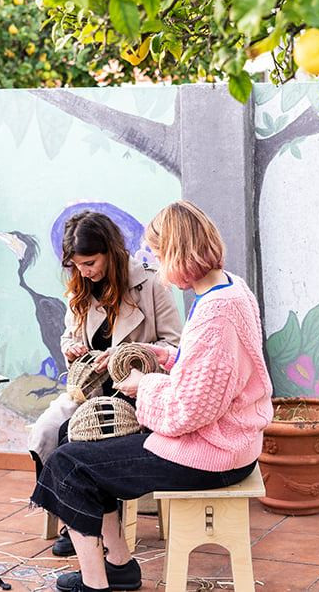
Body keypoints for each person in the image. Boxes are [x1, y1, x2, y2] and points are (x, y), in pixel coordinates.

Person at [32, 200, 274, 592]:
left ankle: (98, 583)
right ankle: (120, 567)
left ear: (179, 252)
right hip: (228, 441)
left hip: (213, 452)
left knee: (68, 465)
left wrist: (143, 385)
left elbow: (187, 410)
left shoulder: (215, 312)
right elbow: (214, 373)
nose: (158, 265)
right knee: (75, 443)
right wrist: (169, 357)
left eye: (160, 255)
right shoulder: (230, 289)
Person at [29, 210, 182, 556]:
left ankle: (86, 523)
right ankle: (74, 518)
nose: (84, 271)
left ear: (110, 251)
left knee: (80, 436)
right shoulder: (79, 288)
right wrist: (70, 348)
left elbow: (175, 348)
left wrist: (127, 353)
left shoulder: (152, 284)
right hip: (88, 391)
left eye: (90, 262)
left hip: (138, 393)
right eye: (77, 265)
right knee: (47, 430)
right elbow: (69, 335)